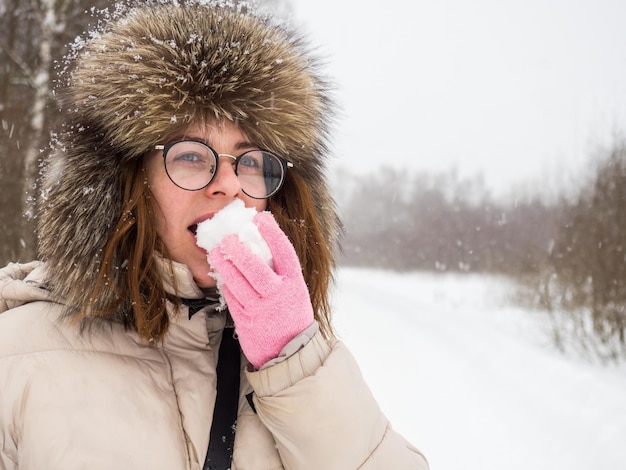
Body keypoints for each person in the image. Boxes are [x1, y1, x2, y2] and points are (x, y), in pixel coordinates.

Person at [0, 1, 429, 469]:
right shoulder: (16, 356)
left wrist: (295, 362)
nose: (227, 183)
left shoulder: (297, 360)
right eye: (190, 155)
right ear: (126, 181)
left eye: (250, 161)